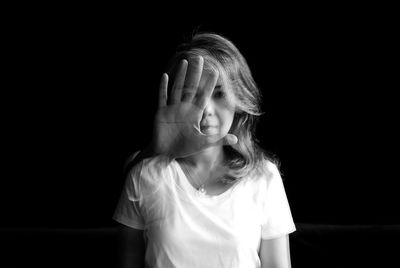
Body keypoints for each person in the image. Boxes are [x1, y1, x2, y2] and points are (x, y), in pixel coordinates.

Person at [113, 32, 296, 268]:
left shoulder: (263, 177)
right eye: (193, 95)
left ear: (239, 98)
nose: (206, 109)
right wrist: (155, 154)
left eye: (218, 93)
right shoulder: (145, 175)